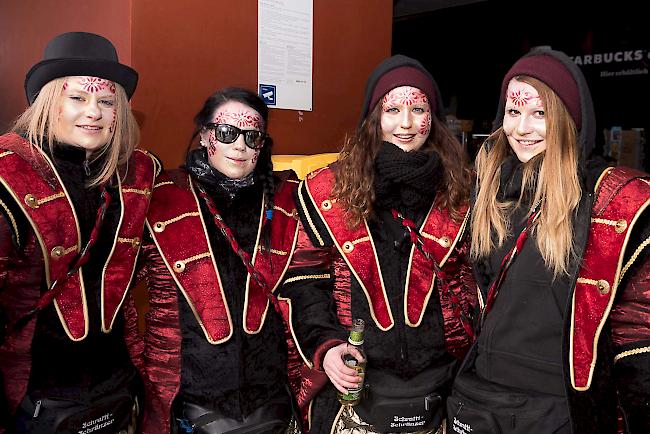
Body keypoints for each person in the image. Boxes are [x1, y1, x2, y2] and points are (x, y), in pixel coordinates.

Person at [447, 46, 650, 434]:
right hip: (481, 399)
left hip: (558, 410)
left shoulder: (608, 204)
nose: (522, 128)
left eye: (539, 114)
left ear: (569, 119)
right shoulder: (488, 189)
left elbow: (636, 330)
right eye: (513, 112)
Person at [280, 54, 477, 433]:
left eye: (418, 109)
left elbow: (476, 284)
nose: (405, 123)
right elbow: (304, 282)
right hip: (354, 389)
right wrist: (328, 347)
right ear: (374, 119)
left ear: (432, 119)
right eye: (393, 110)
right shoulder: (328, 190)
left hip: (443, 387)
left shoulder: (463, 190)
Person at [0, 32, 158, 433]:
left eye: (106, 102)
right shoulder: (8, 173)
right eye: (77, 98)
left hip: (116, 382)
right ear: (48, 102)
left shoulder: (137, 172)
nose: (93, 112)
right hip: (35, 392)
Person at [137, 87, 303, 434]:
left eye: (251, 136)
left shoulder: (288, 199)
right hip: (191, 396)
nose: (239, 146)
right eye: (226, 134)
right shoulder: (164, 195)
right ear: (205, 136)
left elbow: (311, 287)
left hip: (271, 396)